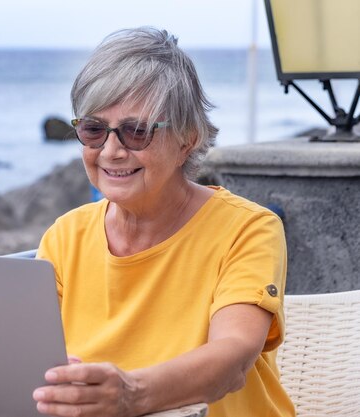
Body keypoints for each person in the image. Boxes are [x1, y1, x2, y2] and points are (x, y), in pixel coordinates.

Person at [32, 27, 295, 417]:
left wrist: (130, 394)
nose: (111, 151)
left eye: (136, 132)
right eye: (93, 129)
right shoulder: (65, 237)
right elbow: (32, 363)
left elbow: (233, 358)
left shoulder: (247, 229)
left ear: (187, 140)